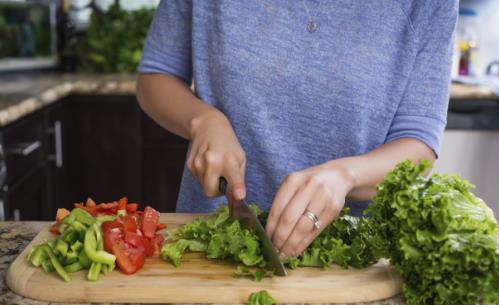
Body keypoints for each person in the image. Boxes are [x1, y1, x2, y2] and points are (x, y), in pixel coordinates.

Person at [136, 1, 458, 259]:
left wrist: (345, 177)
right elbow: (155, 77)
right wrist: (204, 121)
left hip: (348, 257)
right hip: (210, 243)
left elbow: (418, 146)